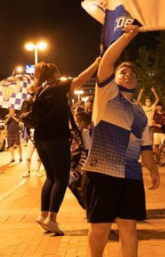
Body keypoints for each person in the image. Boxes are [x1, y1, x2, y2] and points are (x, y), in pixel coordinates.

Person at [83, 25, 159, 257]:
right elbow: (106, 62)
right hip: (102, 172)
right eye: (123, 73)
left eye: (132, 74)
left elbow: (145, 148)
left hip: (131, 175)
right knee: (101, 228)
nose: (128, 75)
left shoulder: (141, 113)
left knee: (129, 227)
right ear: (113, 79)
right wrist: (127, 37)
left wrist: (153, 170)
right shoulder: (107, 95)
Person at [31, 57, 101, 236]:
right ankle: (52, 219)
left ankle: (43, 214)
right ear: (53, 74)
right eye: (57, 71)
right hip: (57, 138)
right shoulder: (58, 87)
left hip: (40, 139)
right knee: (61, 179)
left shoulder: (40, 91)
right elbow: (80, 80)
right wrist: (95, 63)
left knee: (50, 177)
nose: (60, 74)